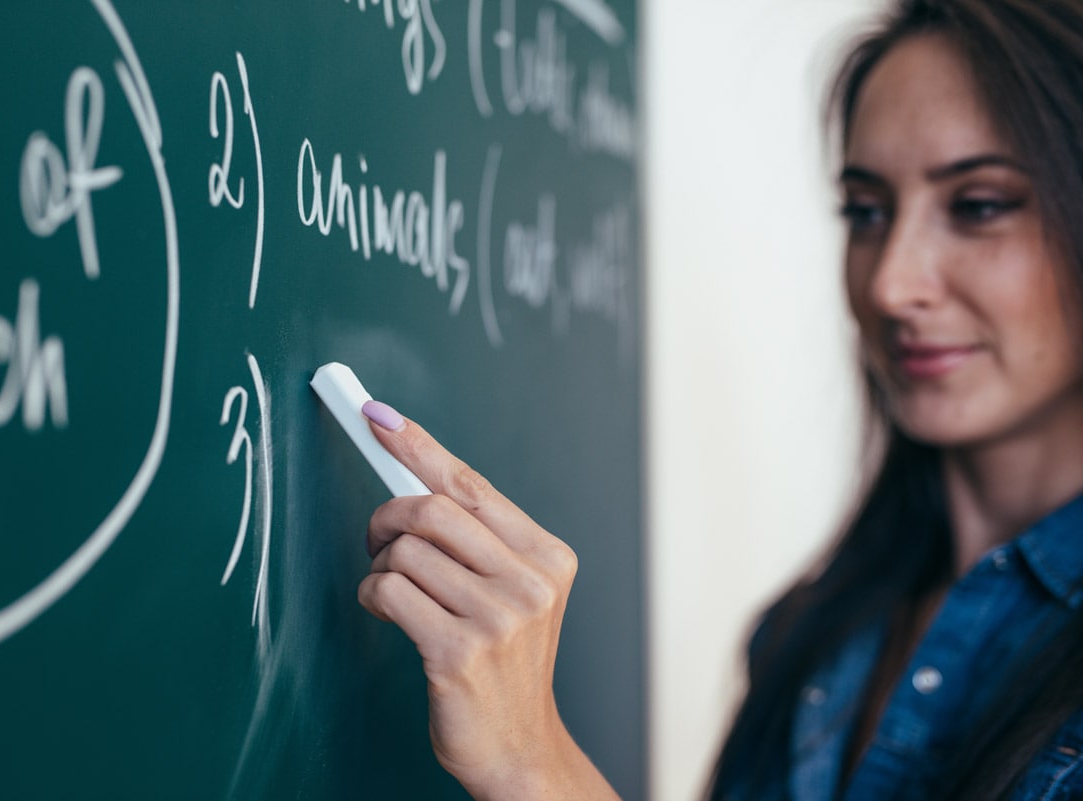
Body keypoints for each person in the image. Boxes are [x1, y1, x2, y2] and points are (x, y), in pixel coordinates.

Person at [355, 0, 1083, 798]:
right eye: (866, 212)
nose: (891, 282)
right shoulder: (808, 634)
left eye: (978, 206)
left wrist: (532, 762)